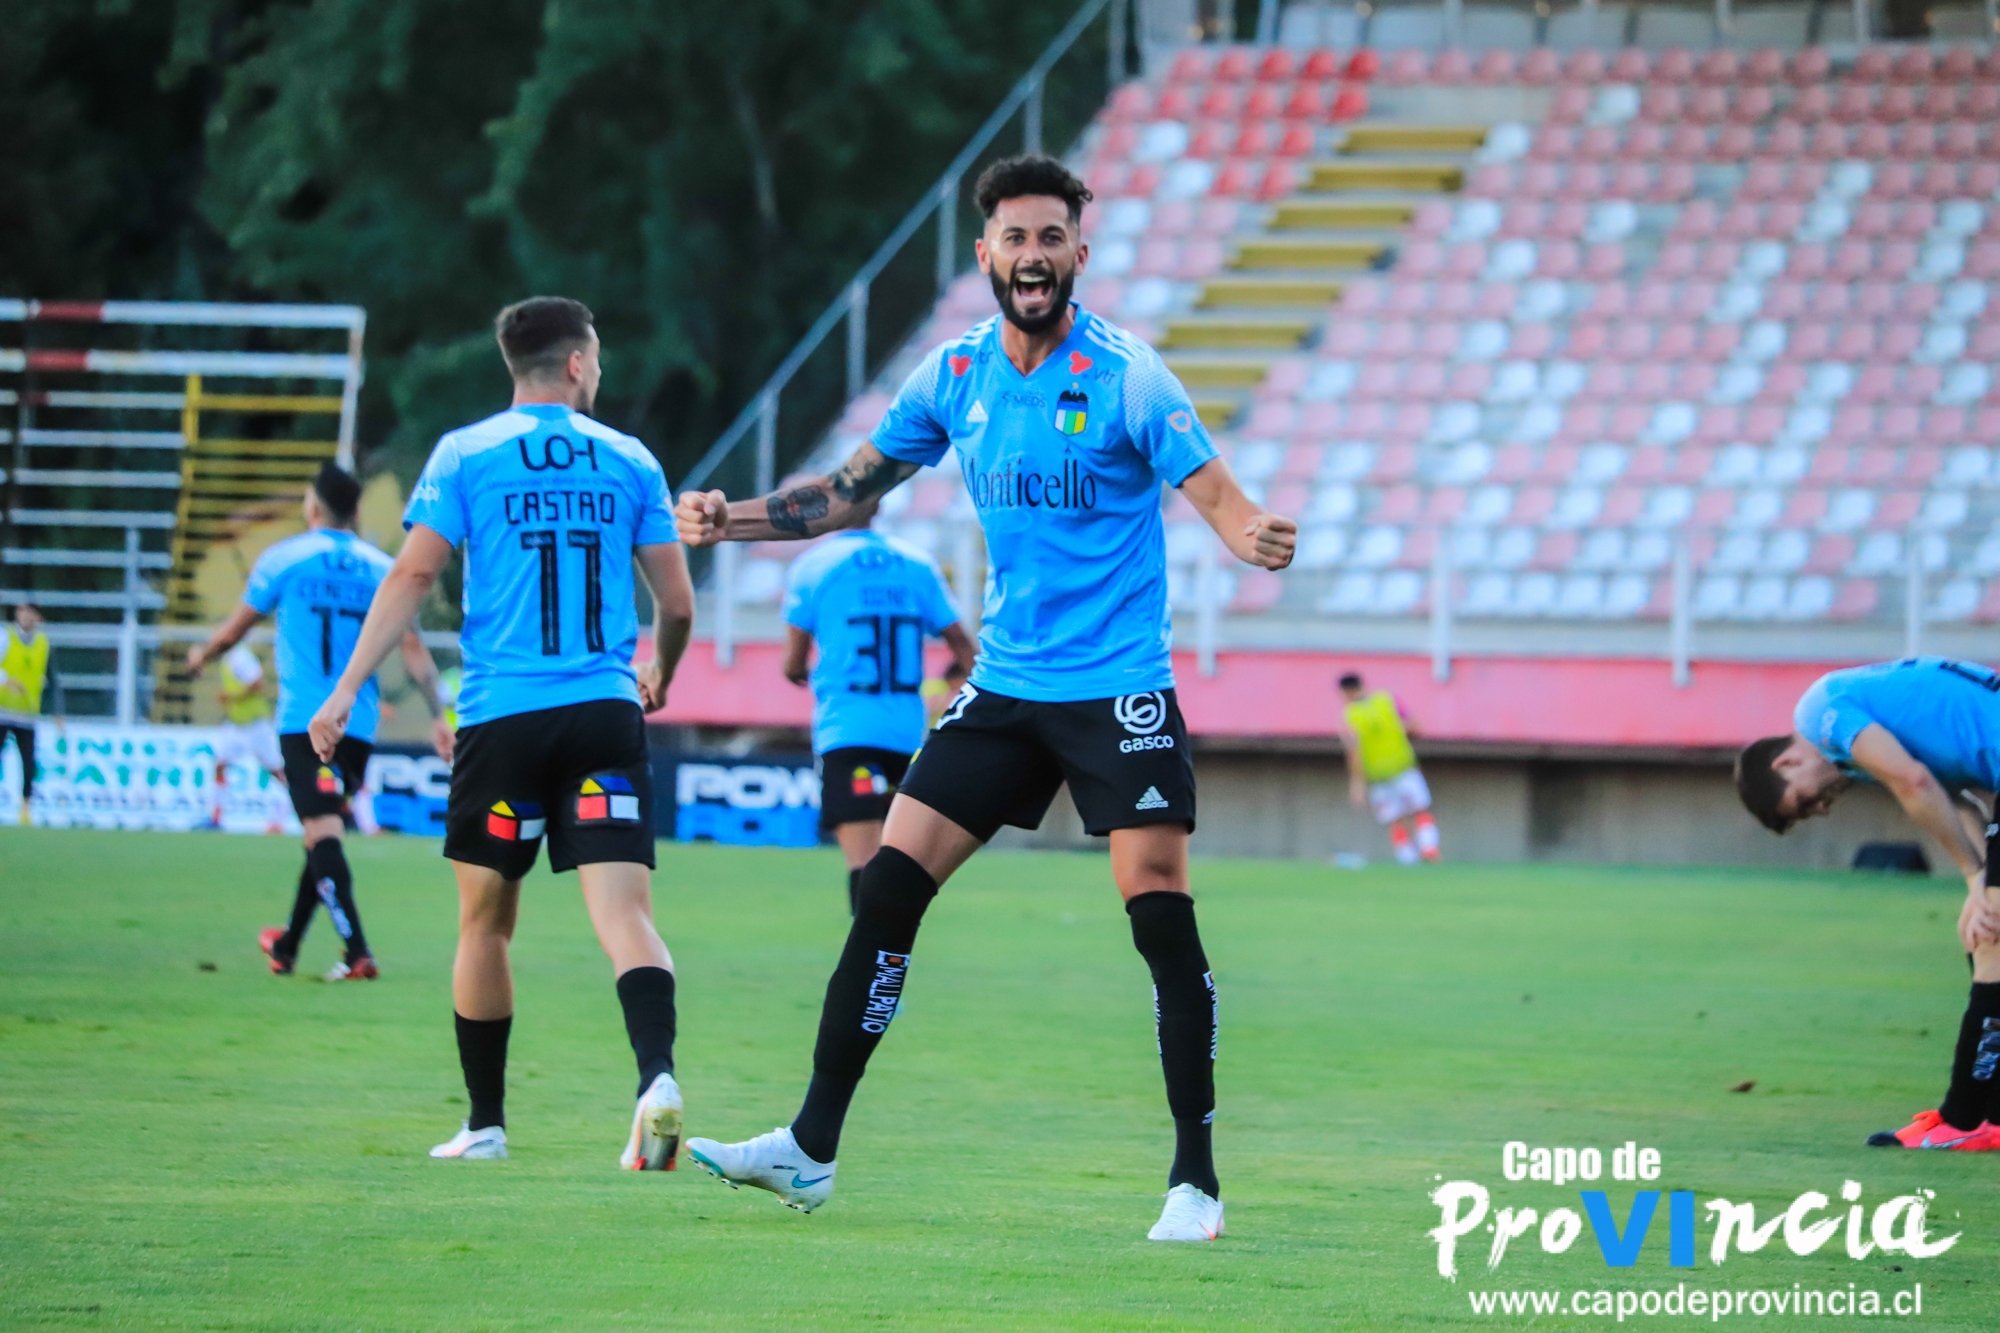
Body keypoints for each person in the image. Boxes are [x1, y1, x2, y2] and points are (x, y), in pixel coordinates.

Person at [675, 154, 1297, 1241]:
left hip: (1117, 686)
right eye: (1015, 238)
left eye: (1051, 238)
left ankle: (1195, 1180)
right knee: (887, 889)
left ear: (1078, 254)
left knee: (1157, 911)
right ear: (986, 254)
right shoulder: (953, 373)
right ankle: (810, 1149)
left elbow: (1215, 493)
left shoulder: (1129, 375)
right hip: (1005, 684)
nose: (1033, 256)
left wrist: (1252, 534)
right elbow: (845, 492)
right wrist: (733, 520)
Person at [308, 296, 697, 1170]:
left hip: (503, 722)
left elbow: (414, 576)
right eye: (597, 358)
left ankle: (485, 1124)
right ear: (575, 363)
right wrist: (661, 670)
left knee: (485, 923)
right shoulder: (631, 458)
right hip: (602, 716)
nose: (600, 371)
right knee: (626, 915)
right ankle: (657, 1079)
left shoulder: (464, 453)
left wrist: (345, 688)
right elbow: (675, 603)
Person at [188, 463, 446, 981]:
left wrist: (202, 655)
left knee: (322, 831)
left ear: (312, 506)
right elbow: (413, 649)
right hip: (358, 725)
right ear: (356, 510)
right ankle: (286, 946)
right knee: (321, 831)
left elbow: (235, 631)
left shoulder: (284, 558)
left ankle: (357, 952)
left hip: (305, 723)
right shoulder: (383, 568)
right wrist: (439, 715)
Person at [1735, 656, 2000, 1150]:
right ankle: (1988, 1117)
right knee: (1983, 934)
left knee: (1992, 946)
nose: (1823, 809)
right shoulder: (1855, 744)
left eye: (1804, 802)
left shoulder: (1821, 712)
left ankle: (1964, 1120)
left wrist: (1973, 875)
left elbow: (1915, 783)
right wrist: (1982, 880)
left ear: (1786, 764)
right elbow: (1957, 801)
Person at [780, 500, 975, 913]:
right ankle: (893, 944)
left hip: (847, 730)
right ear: (880, 504)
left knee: (864, 859)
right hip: (905, 735)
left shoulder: (815, 565)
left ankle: (866, 947)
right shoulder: (917, 564)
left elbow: (793, 664)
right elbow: (963, 645)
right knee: (900, 857)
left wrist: (803, 670)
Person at [1337, 672, 1439, 865]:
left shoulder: (1349, 716)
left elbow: (1354, 752)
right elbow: (1415, 726)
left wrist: (1357, 784)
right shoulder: (1387, 700)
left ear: (1346, 692)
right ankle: (1429, 849)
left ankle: (1407, 858)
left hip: (1378, 775)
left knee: (1394, 817)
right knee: (1419, 809)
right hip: (1403, 766)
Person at [206, 644, 286, 831]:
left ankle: (288, 815)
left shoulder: (240, 656)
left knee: (278, 772)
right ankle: (216, 818)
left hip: (256, 725)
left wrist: (232, 696)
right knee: (220, 765)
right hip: (236, 725)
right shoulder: (228, 659)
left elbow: (258, 684)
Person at [0, 601, 58, 826]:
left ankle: (25, 809)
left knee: (29, 763)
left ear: (38, 618)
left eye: (30, 613)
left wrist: (57, 712)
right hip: (2, 711)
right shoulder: (5, 636)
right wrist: (7, 680)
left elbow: (53, 679)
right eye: (22, 612)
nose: (25, 616)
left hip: (27, 715)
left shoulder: (43, 643)